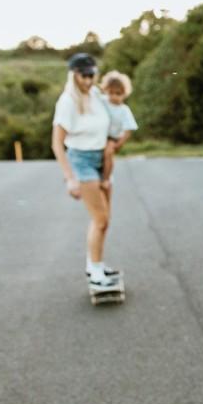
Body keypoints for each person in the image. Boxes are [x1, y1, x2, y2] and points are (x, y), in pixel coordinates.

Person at [51, 53, 120, 288]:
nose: (89, 80)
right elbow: (57, 143)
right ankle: (95, 271)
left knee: (105, 220)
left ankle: (96, 265)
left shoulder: (96, 96)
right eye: (84, 76)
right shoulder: (67, 101)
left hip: (102, 159)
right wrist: (69, 178)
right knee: (100, 219)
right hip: (81, 160)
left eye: (92, 75)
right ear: (74, 75)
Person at [99, 70, 139, 193]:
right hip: (99, 135)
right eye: (111, 93)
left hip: (113, 137)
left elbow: (128, 130)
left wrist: (118, 144)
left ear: (124, 93)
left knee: (109, 153)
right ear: (106, 91)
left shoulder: (124, 110)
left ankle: (106, 179)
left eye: (118, 94)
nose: (114, 97)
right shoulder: (103, 101)